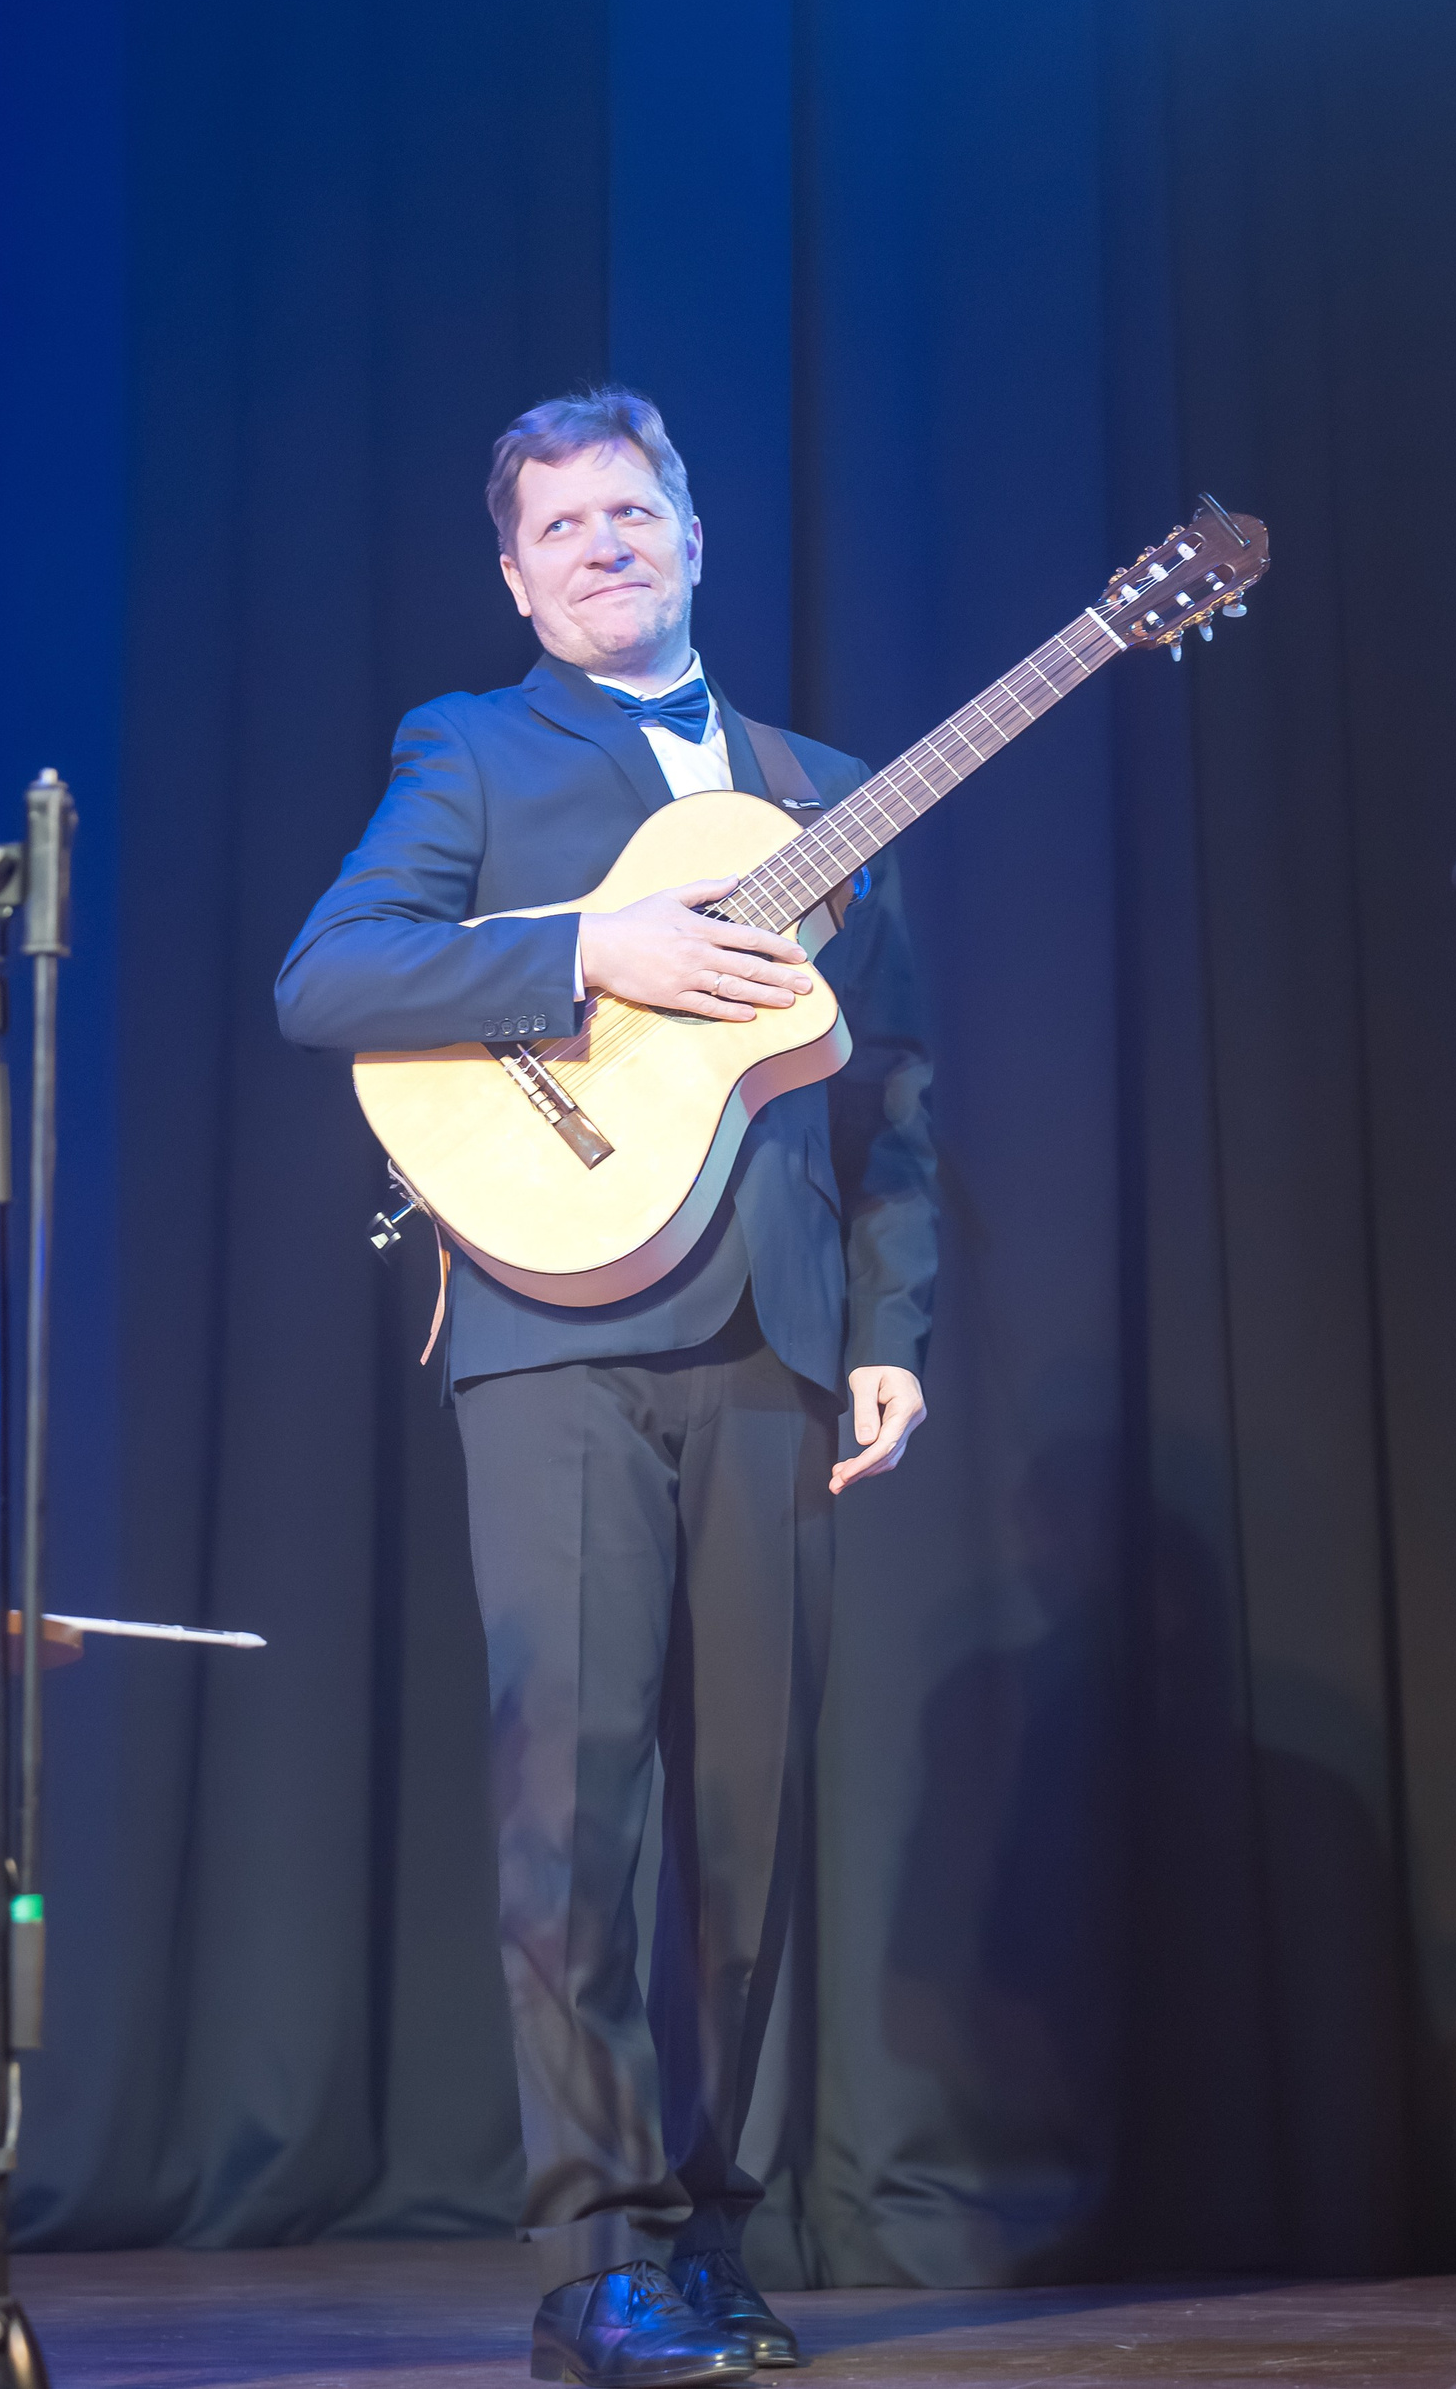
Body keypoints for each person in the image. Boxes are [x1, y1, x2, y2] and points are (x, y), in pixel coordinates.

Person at [277, 388, 937, 2387]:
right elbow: (331, 975)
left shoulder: (823, 789)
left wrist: (890, 1327)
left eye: (629, 511)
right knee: (568, 1810)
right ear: (515, 574)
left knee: (751, 1819)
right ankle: (596, 2261)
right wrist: (593, 947)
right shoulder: (470, 748)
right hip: (547, 1333)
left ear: (692, 535)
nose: (601, 545)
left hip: (770, 1339)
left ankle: (712, 2244)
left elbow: (893, 1089)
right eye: (558, 526)